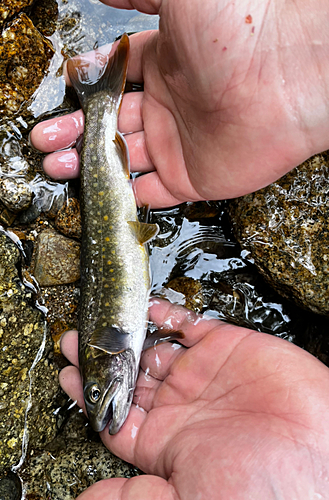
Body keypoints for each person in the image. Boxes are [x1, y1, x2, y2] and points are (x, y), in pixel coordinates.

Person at [30, 0, 329, 498]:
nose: (109, 408)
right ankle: (98, 103)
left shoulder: (110, 340)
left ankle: (97, 104)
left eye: (100, 390)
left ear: (106, 358)